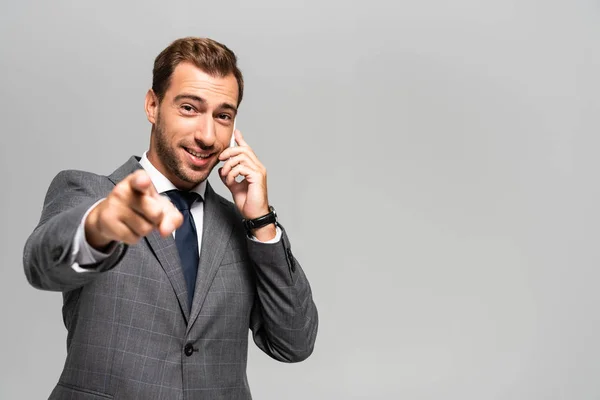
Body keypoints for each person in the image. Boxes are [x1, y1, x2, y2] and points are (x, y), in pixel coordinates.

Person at [23, 37, 318, 400]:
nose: (207, 136)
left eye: (222, 116)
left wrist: (260, 221)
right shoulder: (91, 194)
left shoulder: (241, 228)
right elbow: (42, 265)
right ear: (152, 105)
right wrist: (101, 227)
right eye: (190, 108)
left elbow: (294, 343)